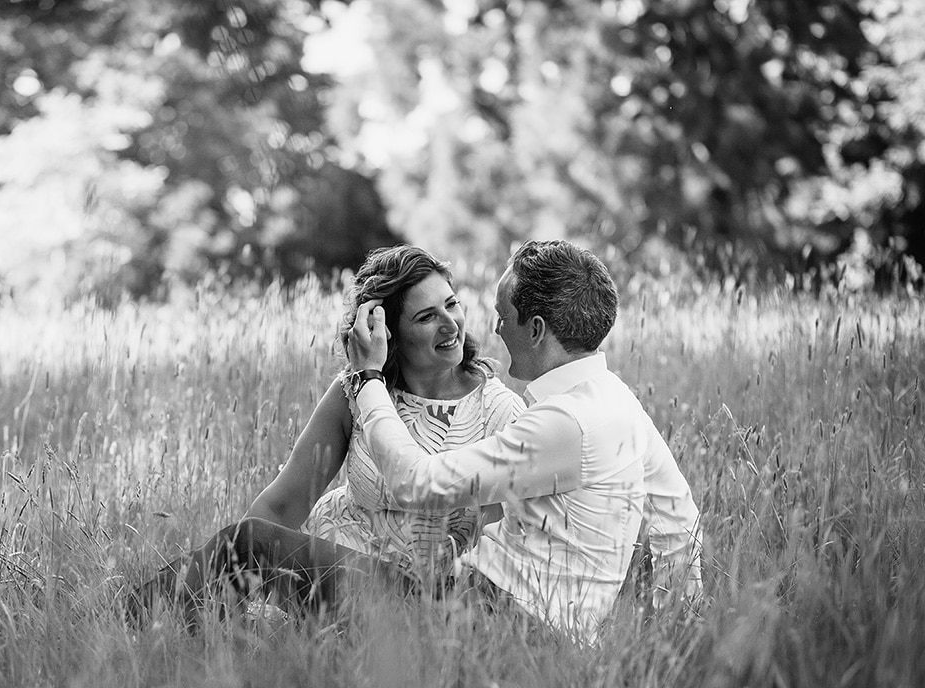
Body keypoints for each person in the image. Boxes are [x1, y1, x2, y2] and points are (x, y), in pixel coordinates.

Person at [129, 245, 526, 620]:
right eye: (426, 317)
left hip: (416, 598)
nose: (450, 324)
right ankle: (136, 624)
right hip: (329, 569)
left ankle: (129, 618)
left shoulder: (498, 411)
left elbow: (493, 547)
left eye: (451, 305)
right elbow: (283, 505)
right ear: (385, 331)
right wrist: (243, 580)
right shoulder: (356, 390)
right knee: (242, 562)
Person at [344, 239, 703, 639]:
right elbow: (679, 522)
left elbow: (417, 483)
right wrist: (676, 634)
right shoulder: (620, 401)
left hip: (486, 616)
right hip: (533, 625)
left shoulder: (564, 423)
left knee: (262, 541)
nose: (495, 328)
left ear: (535, 329)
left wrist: (368, 379)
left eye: (503, 315)